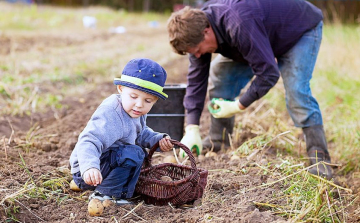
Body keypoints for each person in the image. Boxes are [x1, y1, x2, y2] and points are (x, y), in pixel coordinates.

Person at [167, 0, 332, 179]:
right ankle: (218, 140)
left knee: (297, 92)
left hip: (298, 32)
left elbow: (268, 74)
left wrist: (239, 105)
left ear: (206, 31)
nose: (198, 56)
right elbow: (196, 81)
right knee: (220, 74)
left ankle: (319, 157)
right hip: (259, 37)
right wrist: (192, 127)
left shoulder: (238, 24)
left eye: (198, 50)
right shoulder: (195, 29)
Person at [69, 58, 174, 205]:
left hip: (104, 164)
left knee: (137, 152)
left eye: (148, 101)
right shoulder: (111, 113)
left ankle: (119, 191)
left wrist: (157, 140)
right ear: (121, 89)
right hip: (88, 170)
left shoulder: (136, 111)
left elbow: (140, 133)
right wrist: (90, 167)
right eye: (133, 97)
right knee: (134, 153)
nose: (139, 104)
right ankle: (105, 195)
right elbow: (89, 140)